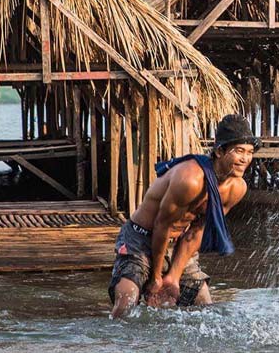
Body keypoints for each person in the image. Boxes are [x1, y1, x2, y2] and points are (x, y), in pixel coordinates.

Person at [108, 114, 259, 318]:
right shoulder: (190, 180)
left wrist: (173, 276)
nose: (245, 159)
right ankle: (117, 347)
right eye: (239, 151)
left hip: (178, 241)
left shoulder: (236, 188)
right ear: (220, 151)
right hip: (141, 239)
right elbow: (162, 226)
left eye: (250, 152)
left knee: (206, 308)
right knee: (126, 304)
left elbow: (197, 231)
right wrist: (156, 278)